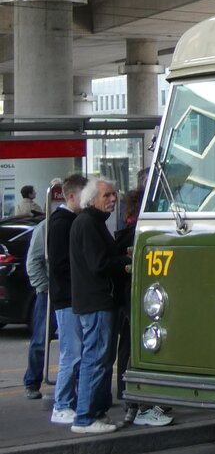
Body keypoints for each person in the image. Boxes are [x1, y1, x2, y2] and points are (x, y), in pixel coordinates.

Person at [68, 178, 129, 435]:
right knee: (95, 358)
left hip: (97, 301)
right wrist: (124, 263)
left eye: (114, 195)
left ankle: (96, 412)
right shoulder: (88, 224)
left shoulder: (92, 223)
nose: (113, 199)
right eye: (107, 195)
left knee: (102, 358)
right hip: (96, 302)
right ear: (91, 199)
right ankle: (84, 417)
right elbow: (98, 263)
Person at [113, 188, 172, 427]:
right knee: (142, 348)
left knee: (128, 347)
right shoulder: (139, 236)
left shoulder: (123, 234)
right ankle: (140, 404)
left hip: (128, 299)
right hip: (140, 299)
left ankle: (130, 400)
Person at [47, 173, 87, 425]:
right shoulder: (63, 223)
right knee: (71, 353)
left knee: (75, 353)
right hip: (67, 298)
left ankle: (67, 403)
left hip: (70, 296)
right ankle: (61, 404)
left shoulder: (66, 221)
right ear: (71, 196)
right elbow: (61, 265)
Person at [22, 218, 51, 399]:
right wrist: (44, 287)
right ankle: (32, 381)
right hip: (49, 293)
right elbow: (33, 261)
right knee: (41, 338)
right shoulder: (45, 227)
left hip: (70, 292)